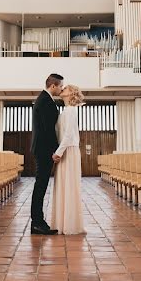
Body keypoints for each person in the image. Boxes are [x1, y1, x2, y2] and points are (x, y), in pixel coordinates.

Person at [30, 73, 64, 235]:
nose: (61, 89)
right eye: (60, 86)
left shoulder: (45, 99)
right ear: (53, 86)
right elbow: (47, 130)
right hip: (44, 150)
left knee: (41, 185)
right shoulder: (45, 101)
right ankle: (37, 222)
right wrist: (55, 150)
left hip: (42, 148)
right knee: (40, 185)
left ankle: (37, 221)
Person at [51, 84, 85, 235]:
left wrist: (58, 152)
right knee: (62, 186)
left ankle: (70, 224)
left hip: (69, 151)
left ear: (71, 93)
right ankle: (61, 223)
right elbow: (60, 133)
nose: (62, 89)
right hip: (65, 150)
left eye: (66, 88)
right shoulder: (65, 111)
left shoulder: (72, 110)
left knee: (69, 186)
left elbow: (69, 135)